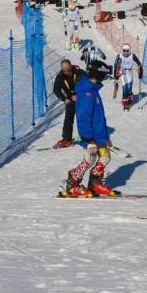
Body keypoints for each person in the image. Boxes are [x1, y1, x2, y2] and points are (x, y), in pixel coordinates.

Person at [64, 60, 115, 197]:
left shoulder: (92, 89)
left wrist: (104, 137)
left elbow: (97, 117)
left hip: (98, 136)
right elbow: (83, 117)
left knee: (104, 157)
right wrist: (88, 139)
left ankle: (95, 183)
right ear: (97, 75)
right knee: (89, 160)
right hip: (90, 137)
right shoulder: (87, 92)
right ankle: (72, 181)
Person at [52, 59, 84, 148]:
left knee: (84, 118)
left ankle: (89, 137)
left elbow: (88, 86)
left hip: (83, 99)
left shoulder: (79, 73)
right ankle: (67, 139)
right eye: (64, 70)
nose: (66, 72)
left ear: (71, 66)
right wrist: (64, 99)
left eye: (67, 70)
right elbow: (56, 90)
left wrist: (79, 96)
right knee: (68, 120)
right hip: (70, 99)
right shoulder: (60, 76)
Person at [113, 43, 144, 110]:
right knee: (125, 88)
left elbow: (139, 64)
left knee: (129, 87)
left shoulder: (132, 55)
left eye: (127, 50)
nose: (126, 52)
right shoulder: (119, 55)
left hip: (129, 72)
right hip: (122, 72)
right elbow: (115, 65)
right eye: (124, 50)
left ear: (129, 50)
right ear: (122, 50)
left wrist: (140, 70)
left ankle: (129, 96)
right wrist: (116, 74)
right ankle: (125, 104)